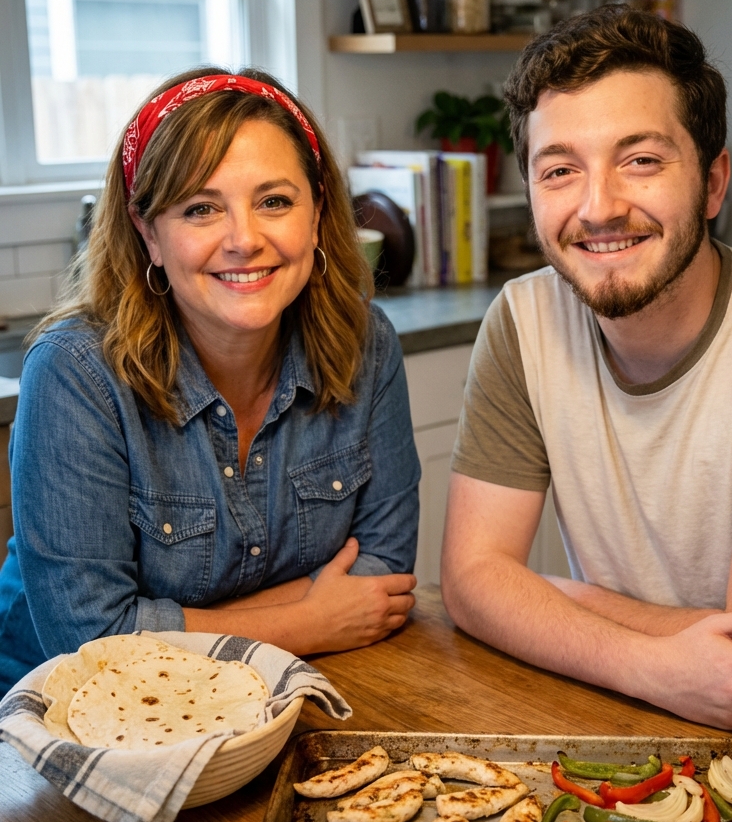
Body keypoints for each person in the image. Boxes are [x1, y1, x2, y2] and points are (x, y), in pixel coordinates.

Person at [442, 7, 732, 733]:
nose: (599, 207)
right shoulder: (523, 320)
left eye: (641, 161)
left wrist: (560, 601)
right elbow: (472, 584)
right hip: (626, 690)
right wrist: (642, 661)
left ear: (714, 182)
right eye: (560, 169)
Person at [0, 68, 419, 696]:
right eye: (201, 209)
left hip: (283, 696)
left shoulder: (366, 342)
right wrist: (309, 621)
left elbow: (381, 579)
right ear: (150, 235)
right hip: (66, 721)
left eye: (274, 201)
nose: (245, 240)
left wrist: (166, 628)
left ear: (317, 213)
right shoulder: (75, 372)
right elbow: (88, 640)